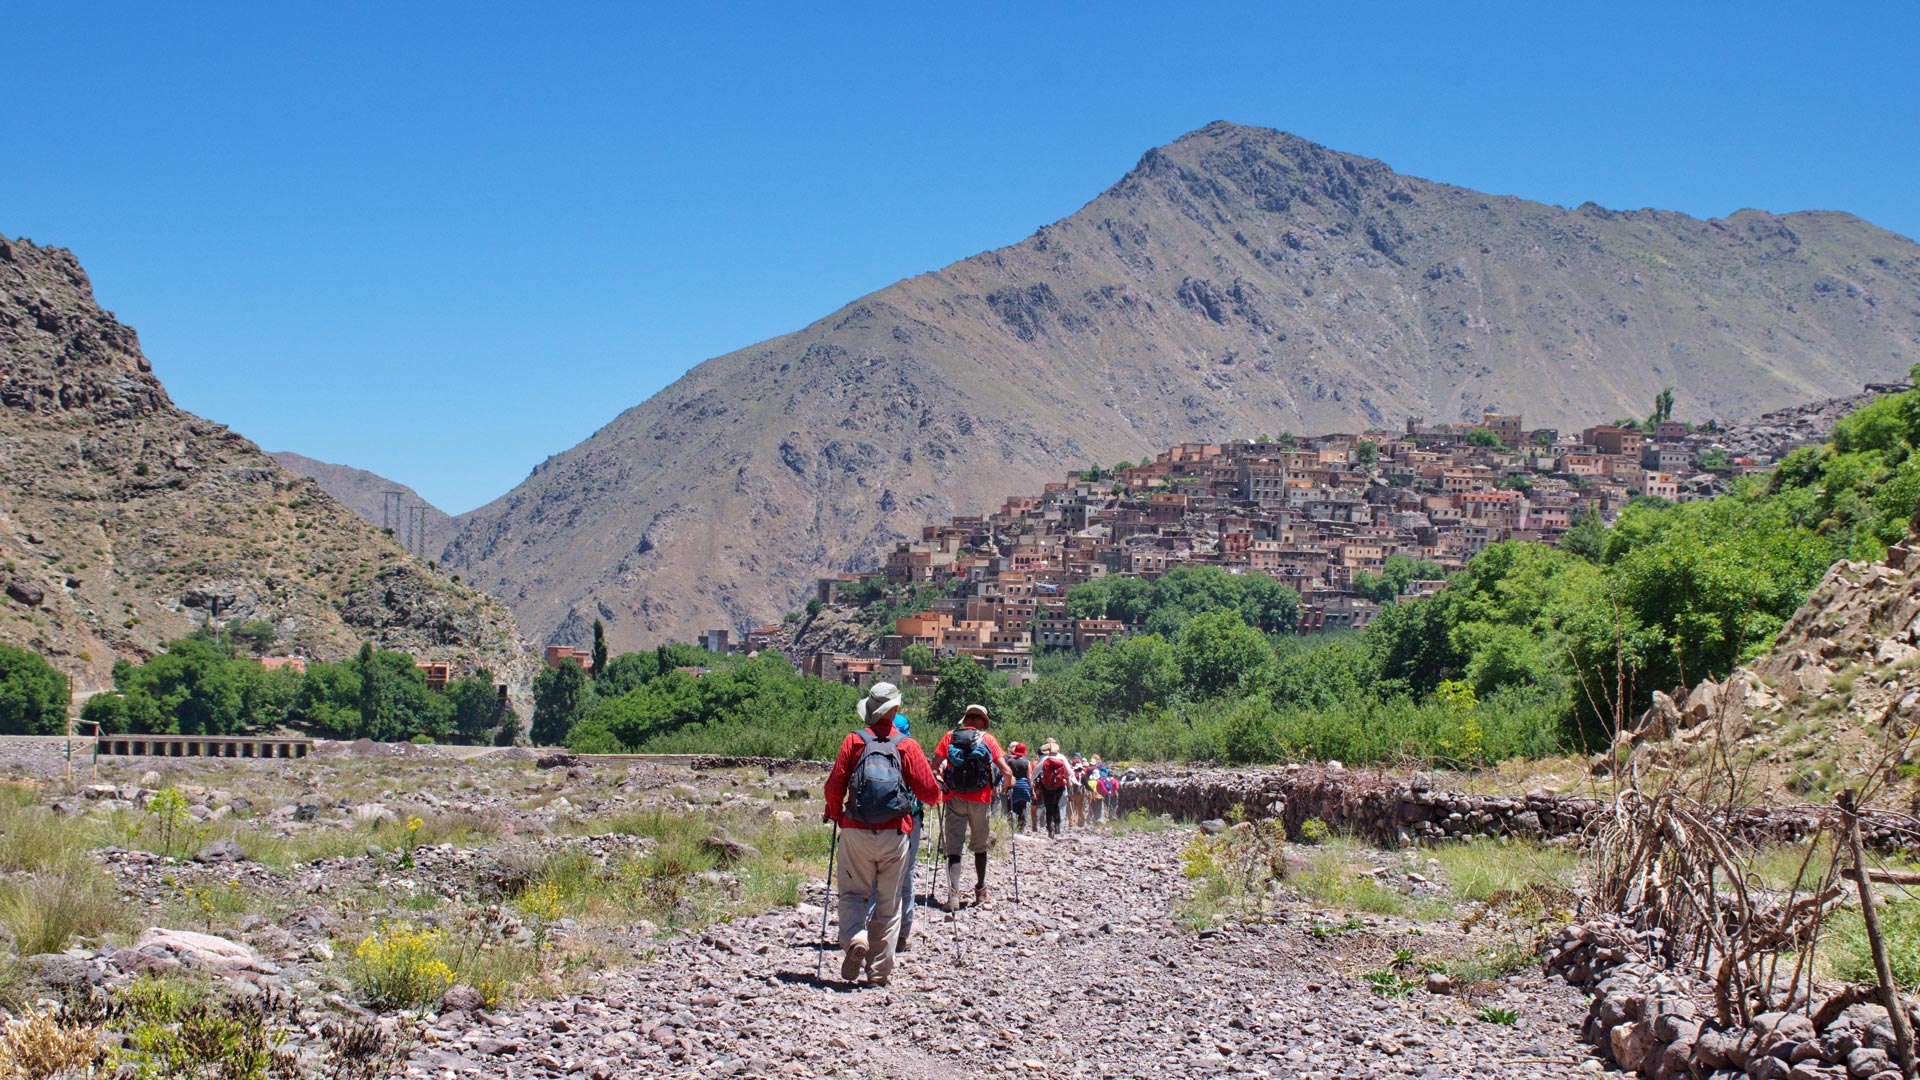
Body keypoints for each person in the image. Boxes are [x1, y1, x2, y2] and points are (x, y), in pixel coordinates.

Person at [822, 682, 944, 986]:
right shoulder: (907, 745)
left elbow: (834, 785)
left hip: (856, 831)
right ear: (895, 709)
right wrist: (940, 793)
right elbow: (929, 793)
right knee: (889, 905)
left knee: (853, 894)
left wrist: (835, 813)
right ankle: (878, 973)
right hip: (895, 833)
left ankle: (855, 938)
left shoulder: (854, 741)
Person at [932, 703, 1014, 909]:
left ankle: (953, 895)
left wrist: (939, 781)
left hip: (954, 798)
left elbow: (934, 767)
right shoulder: (988, 739)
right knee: (980, 845)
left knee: (954, 847)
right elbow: (1006, 771)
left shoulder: (949, 736)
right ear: (983, 722)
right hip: (981, 798)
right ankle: (981, 892)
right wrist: (1008, 785)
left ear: (966, 719)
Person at [1034, 739, 1073, 838]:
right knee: (1056, 805)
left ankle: (1050, 829)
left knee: (1049, 806)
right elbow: (1069, 772)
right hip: (1059, 786)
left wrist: (1031, 780)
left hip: (1047, 786)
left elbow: (1036, 771)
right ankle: (1057, 827)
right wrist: (1072, 780)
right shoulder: (1062, 757)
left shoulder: (1043, 758)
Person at [1004, 741, 1033, 833]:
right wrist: (1032, 789)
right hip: (1024, 786)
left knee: (1011, 806)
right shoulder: (1027, 762)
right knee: (1023, 806)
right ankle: (1021, 828)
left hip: (1013, 785)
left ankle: (1012, 828)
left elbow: (1007, 775)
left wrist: (1006, 787)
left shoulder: (1009, 761)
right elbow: (1029, 777)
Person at [1067, 752, 1090, 829]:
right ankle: (1081, 822)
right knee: (1080, 808)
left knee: (1072, 808)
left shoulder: (1071, 772)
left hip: (1072, 792)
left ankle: (1071, 822)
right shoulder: (1082, 773)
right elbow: (1086, 784)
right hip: (1081, 793)